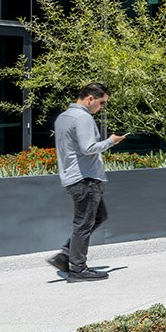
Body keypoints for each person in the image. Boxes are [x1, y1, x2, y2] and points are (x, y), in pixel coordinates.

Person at [49, 83, 125, 281]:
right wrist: (111, 141)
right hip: (86, 179)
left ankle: (67, 254)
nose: (101, 107)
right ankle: (78, 268)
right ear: (90, 98)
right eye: (101, 103)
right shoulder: (83, 117)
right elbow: (88, 147)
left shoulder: (63, 117)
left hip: (73, 177)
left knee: (99, 216)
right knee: (83, 223)